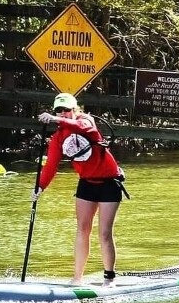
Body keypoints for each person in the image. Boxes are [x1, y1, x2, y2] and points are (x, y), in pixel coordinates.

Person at [32, 92, 127, 287]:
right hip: (86, 183)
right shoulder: (58, 138)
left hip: (110, 182)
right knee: (83, 229)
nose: (64, 114)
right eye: (59, 111)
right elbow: (50, 166)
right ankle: (77, 278)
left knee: (104, 232)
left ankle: (109, 278)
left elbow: (82, 126)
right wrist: (40, 187)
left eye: (67, 110)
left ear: (75, 110)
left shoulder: (85, 121)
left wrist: (56, 119)